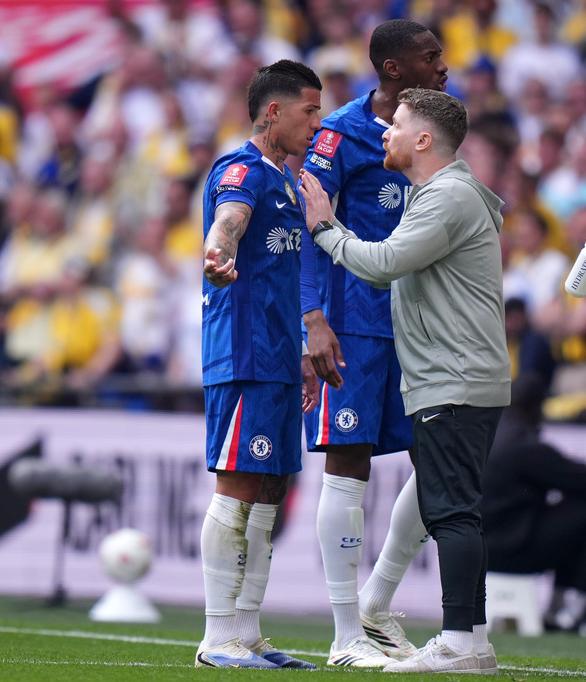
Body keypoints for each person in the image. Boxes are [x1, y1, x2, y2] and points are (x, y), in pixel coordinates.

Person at [300, 87, 511, 675]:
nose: (384, 132)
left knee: (452, 514)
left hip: (455, 377)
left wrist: (324, 228)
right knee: (454, 507)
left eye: (395, 125)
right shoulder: (447, 193)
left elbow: (384, 263)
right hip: (459, 375)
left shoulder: (444, 198)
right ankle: (468, 637)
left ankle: (459, 642)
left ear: (423, 139)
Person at [298, 18, 451, 668]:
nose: (444, 66)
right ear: (394, 68)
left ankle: (378, 600)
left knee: (439, 460)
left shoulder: (438, 128)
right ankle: (344, 635)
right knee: (349, 464)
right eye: (431, 57)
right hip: (355, 322)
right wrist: (313, 318)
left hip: (423, 325)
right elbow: (309, 224)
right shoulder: (339, 134)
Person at [196, 59, 324, 670]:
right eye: (308, 111)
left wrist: (300, 351)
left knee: (269, 493)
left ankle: (246, 633)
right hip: (243, 354)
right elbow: (229, 216)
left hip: (277, 357)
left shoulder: (289, 182)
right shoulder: (242, 169)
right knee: (239, 488)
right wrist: (218, 249)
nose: (315, 123)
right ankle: (216, 636)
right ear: (273, 111)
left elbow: (283, 277)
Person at [481, 373, 586, 635]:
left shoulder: (492, 433)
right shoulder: (522, 442)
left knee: (576, 512)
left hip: (483, 548)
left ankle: (560, 610)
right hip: (511, 549)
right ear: (534, 407)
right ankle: (574, 614)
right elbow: (584, 479)